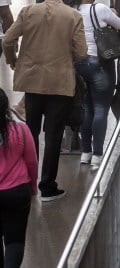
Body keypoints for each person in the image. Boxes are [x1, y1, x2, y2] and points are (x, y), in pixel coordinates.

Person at [2, 0, 87, 201]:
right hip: (60, 84)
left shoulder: (28, 11)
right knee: (53, 135)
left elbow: (8, 40)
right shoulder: (73, 16)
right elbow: (81, 53)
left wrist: (14, 61)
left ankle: (26, 180)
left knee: (30, 132)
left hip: (32, 81)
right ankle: (48, 186)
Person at [73, 0, 120, 168]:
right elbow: (119, 24)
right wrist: (113, 13)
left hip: (79, 64)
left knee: (87, 107)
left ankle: (86, 152)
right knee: (101, 108)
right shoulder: (99, 9)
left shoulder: (72, 10)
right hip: (100, 64)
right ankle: (98, 155)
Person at [0, 88, 38, 268]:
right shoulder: (21, 130)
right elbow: (32, 162)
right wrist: (33, 187)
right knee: (14, 241)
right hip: (17, 192)